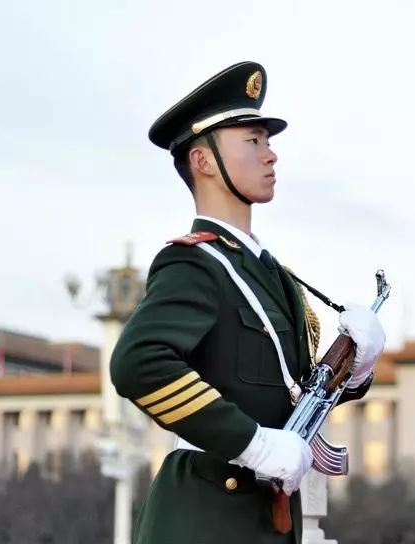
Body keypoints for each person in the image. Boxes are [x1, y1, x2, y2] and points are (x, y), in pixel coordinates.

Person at [110, 61, 385, 544]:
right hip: (205, 514)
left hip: (266, 517)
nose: (271, 155)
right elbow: (137, 363)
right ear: (204, 161)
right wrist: (252, 444)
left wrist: (356, 370)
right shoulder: (194, 263)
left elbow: (291, 392)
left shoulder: (274, 275)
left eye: (268, 142)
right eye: (253, 141)